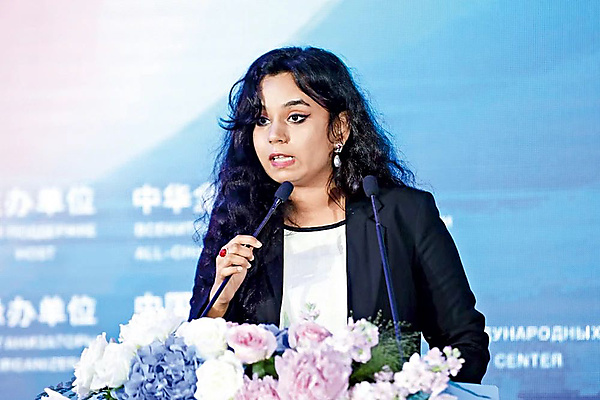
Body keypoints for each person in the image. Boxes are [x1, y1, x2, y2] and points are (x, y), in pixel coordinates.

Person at [189, 47, 489, 383]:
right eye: (262, 120)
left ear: (340, 129)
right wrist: (219, 302)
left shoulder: (402, 216)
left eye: (295, 117)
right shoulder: (241, 223)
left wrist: (413, 391)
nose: (275, 135)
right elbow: (198, 364)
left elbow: (465, 344)